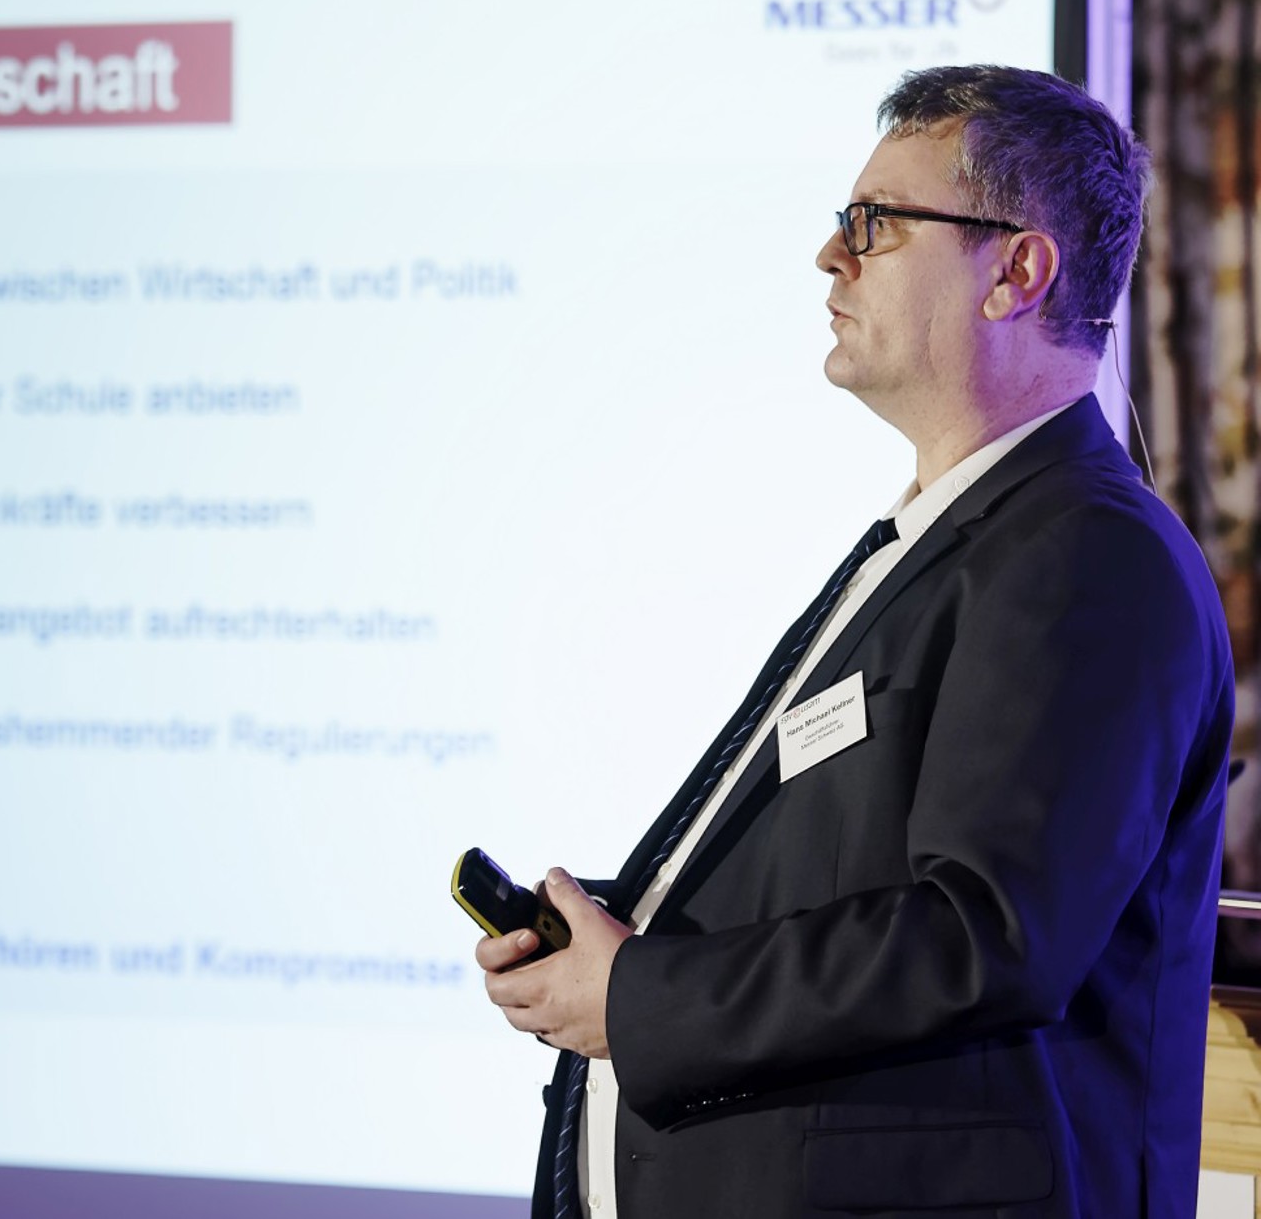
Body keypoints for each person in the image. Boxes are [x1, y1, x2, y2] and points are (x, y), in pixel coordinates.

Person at [478, 65, 1233, 1218]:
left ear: (1015, 272)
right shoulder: (954, 536)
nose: (829, 256)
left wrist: (642, 998)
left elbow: (985, 934)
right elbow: (851, 871)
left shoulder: (1087, 553)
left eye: (874, 224)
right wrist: (620, 937)